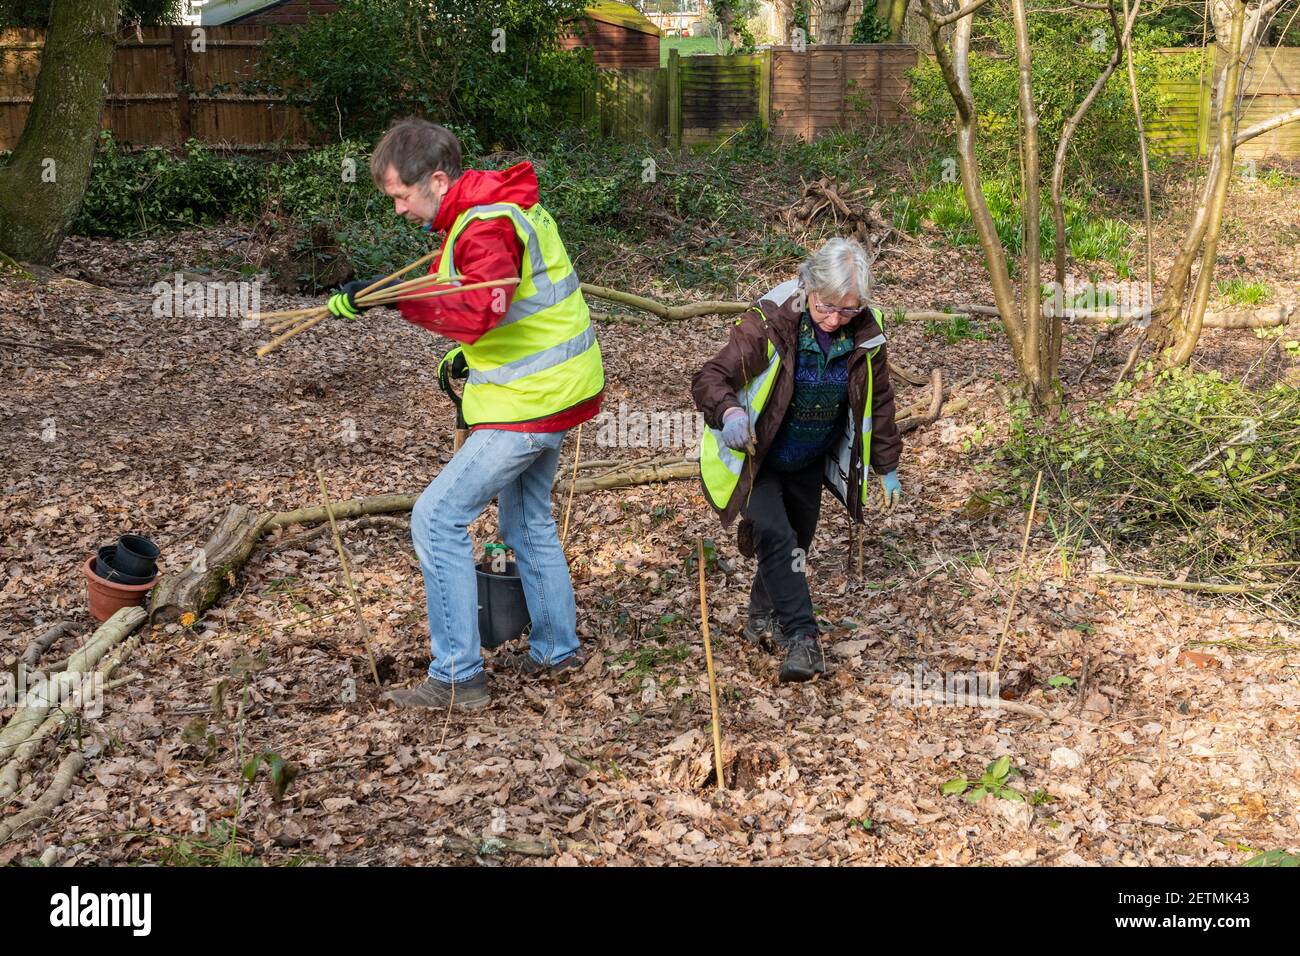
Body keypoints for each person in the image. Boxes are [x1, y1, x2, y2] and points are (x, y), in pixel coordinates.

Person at [328, 118, 604, 710]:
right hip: (556, 389)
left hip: (530, 404)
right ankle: (558, 651)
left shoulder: (487, 224)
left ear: (435, 179)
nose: (398, 209)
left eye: (401, 196)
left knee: (435, 519)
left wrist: (398, 298)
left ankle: (457, 676)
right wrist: (447, 338)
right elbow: (504, 300)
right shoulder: (490, 209)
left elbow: (481, 305)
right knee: (527, 522)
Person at [691, 237, 902, 683]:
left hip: (809, 458)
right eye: (825, 306)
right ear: (807, 286)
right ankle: (803, 638)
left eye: (846, 310)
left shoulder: (867, 333)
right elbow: (712, 375)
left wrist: (887, 466)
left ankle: (759, 617)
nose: (833, 319)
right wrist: (728, 411)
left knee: (795, 544)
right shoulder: (772, 321)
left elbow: (878, 402)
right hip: (757, 456)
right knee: (776, 535)